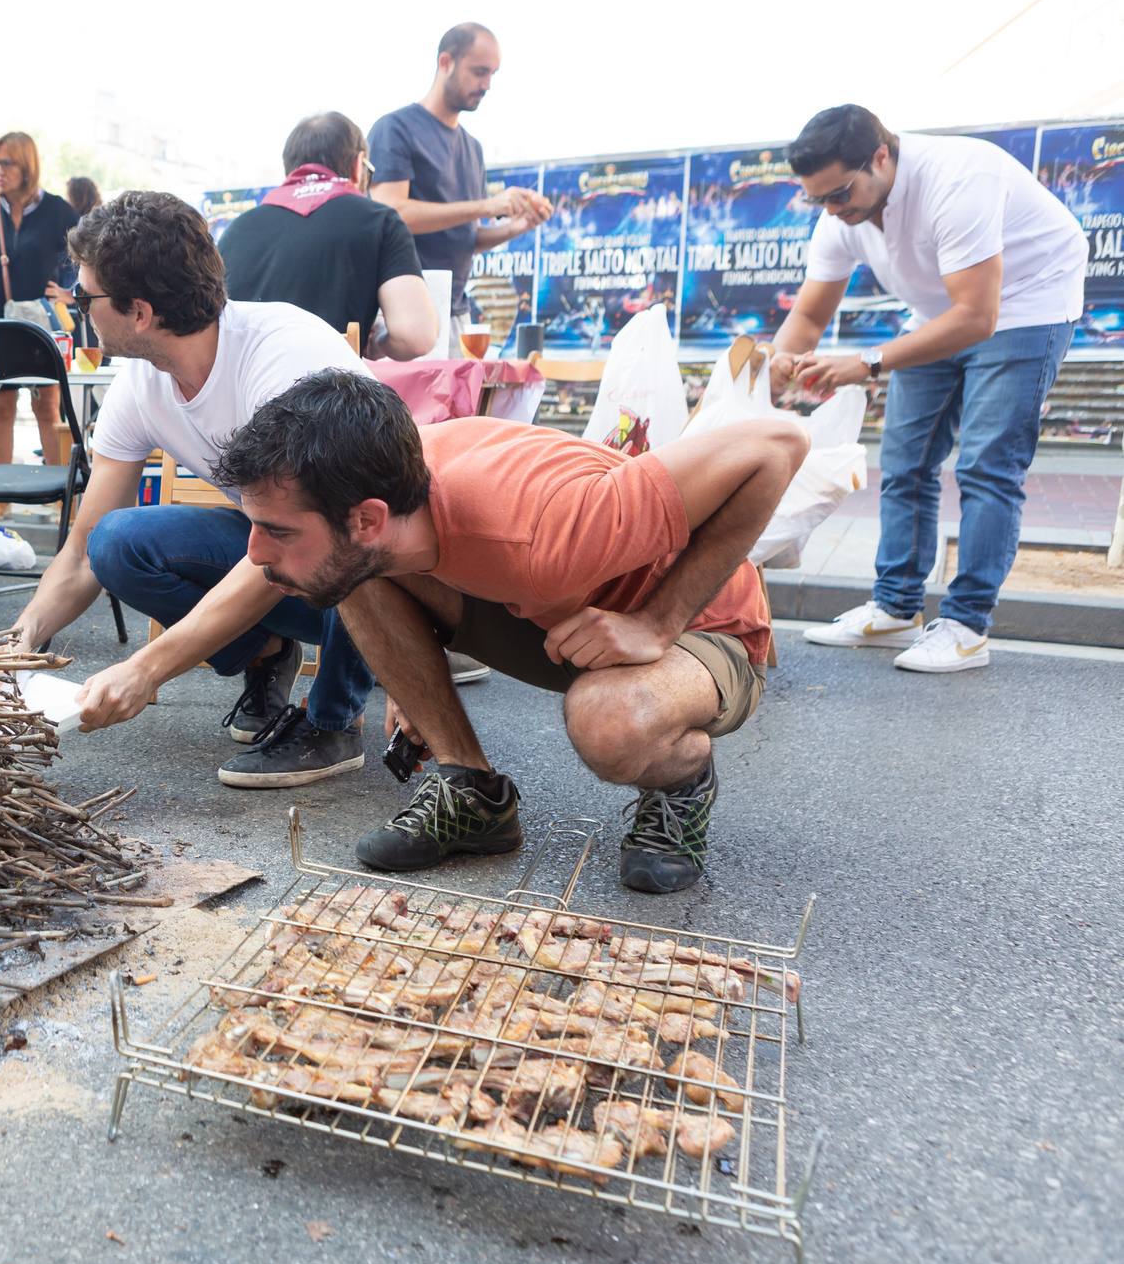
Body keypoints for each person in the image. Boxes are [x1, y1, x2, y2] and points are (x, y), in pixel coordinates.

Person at [208, 370, 805, 893]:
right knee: (359, 571)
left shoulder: (556, 525)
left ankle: (682, 783)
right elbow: (352, 576)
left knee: (609, 724)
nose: (255, 551)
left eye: (277, 532)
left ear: (368, 519)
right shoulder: (384, 504)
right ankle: (473, 794)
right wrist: (413, 683)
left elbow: (776, 445)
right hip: (561, 612)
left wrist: (657, 622)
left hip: (704, 626)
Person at [5, 191, 379, 790]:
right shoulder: (141, 384)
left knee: (359, 542)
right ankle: (265, 655)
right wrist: (19, 642)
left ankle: (333, 720)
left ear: (140, 312)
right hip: (281, 555)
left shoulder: (280, 362)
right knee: (115, 542)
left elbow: (293, 545)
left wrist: (145, 670)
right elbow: (79, 552)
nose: (77, 307)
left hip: (365, 567)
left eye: (85, 296)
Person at [772, 105, 1087, 673]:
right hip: (940, 312)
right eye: (817, 199)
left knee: (987, 464)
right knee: (905, 463)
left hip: (1026, 305)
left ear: (882, 156)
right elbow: (809, 317)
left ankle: (966, 627)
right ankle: (896, 608)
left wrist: (866, 362)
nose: (832, 210)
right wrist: (772, 369)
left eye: (839, 194)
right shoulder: (839, 215)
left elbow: (976, 318)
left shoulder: (959, 178)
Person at [368, 23, 549, 337]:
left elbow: (468, 239)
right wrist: (486, 205)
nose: (487, 84)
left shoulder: (472, 147)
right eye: (479, 71)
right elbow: (392, 212)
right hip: (401, 311)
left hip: (455, 313)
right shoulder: (395, 129)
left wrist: (515, 228)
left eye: (493, 73)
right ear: (445, 62)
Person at [219, 111, 437, 360]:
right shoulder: (379, 221)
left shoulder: (235, 231)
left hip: (249, 395)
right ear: (358, 165)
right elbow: (416, 335)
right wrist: (375, 342)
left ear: (290, 170)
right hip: (329, 396)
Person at [0, 132, 78, 471]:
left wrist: (70, 291)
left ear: (27, 166)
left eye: (7, 163)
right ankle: (2, 497)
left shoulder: (57, 211)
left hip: (43, 323)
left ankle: (59, 495)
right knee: (2, 407)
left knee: (47, 408)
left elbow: (90, 254)